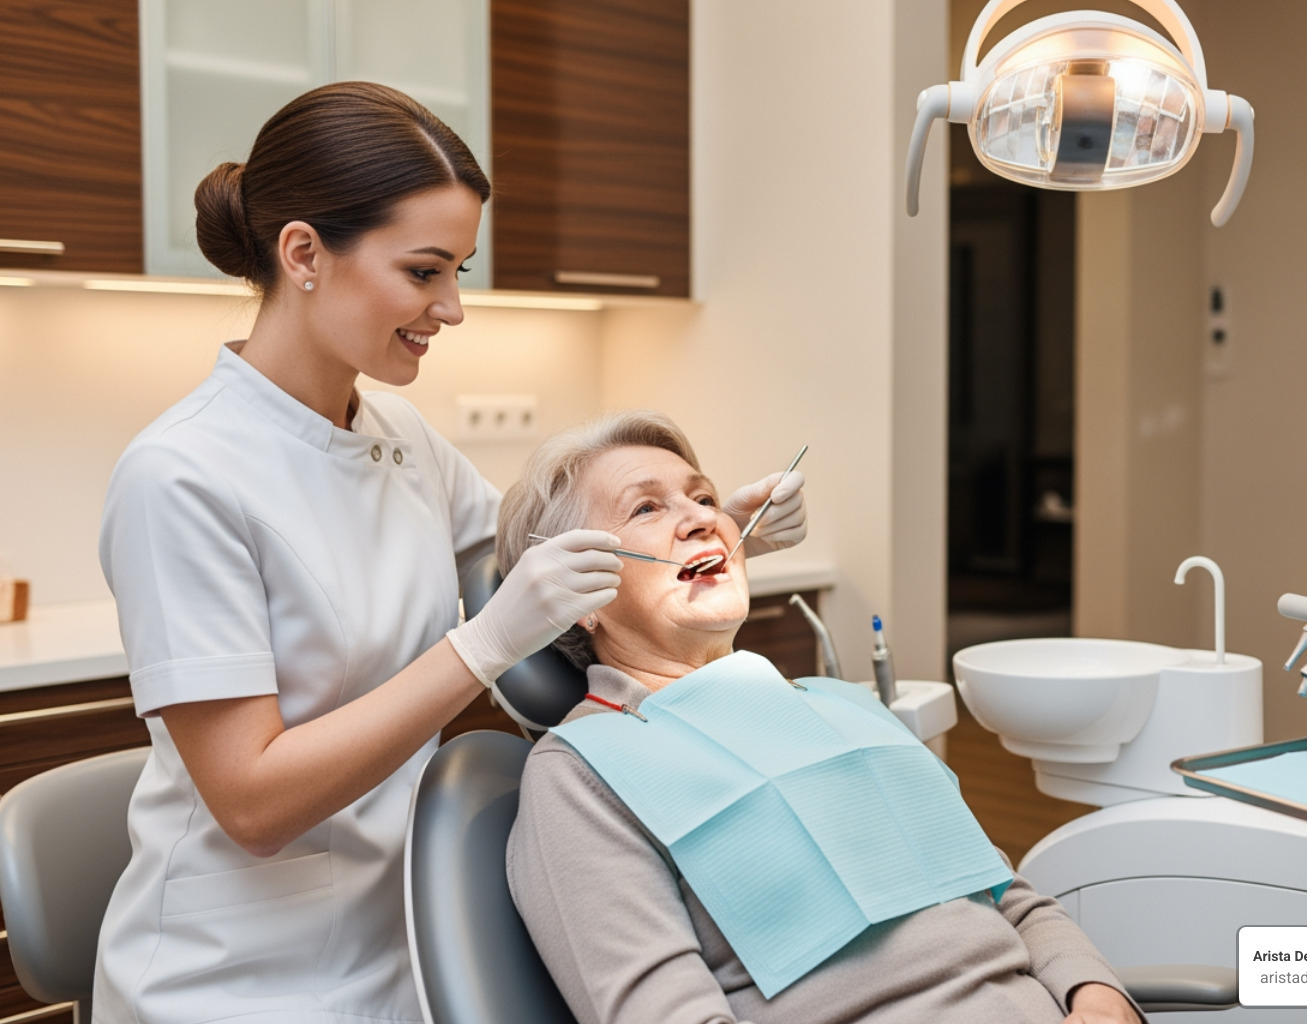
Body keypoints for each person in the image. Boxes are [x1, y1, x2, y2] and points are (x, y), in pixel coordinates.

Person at [94, 82, 806, 1024]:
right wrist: (482, 647)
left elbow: (544, 557)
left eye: (458, 270)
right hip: (235, 977)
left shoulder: (398, 434)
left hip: (408, 937)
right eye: (425, 272)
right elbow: (253, 804)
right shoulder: (180, 475)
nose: (454, 308)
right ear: (303, 254)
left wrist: (705, 520)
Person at [502, 411, 1143, 1024]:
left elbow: (1010, 897)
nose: (703, 520)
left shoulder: (844, 707)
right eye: (647, 507)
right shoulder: (584, 775)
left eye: (704, 499)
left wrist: (1100, 999)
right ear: (576, 592)